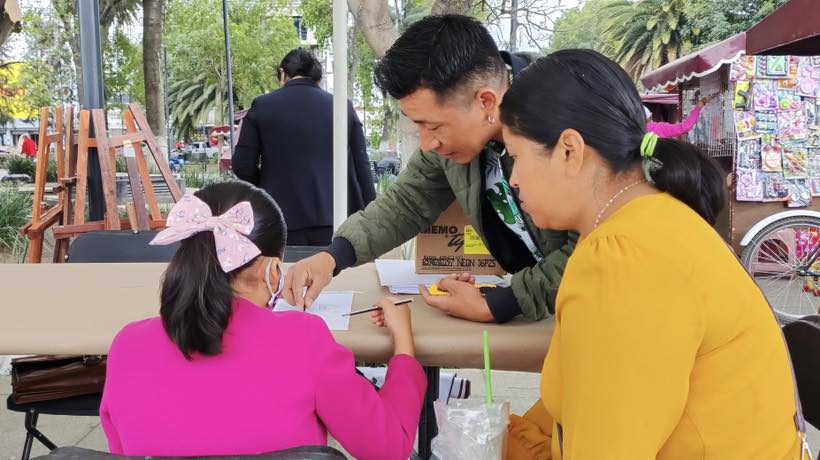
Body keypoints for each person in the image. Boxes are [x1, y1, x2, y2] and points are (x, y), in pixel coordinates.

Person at [500, 50, 802, 459]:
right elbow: (584, 399)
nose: (513, 179)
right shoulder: (648, 223)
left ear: (569, 150)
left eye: (515, 157)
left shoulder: (622, 259)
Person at [99, 181, 425, 458]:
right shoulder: (304, 338)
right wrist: (405, 350)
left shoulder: (127, 344)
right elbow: (388, 449)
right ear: (272, 270)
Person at [285, 15, 576, 324]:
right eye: (418, 126)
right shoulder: (455, 143)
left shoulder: (565, 121)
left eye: (433, 126)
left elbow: (593, 247)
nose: (427, 144)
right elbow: (406, 203)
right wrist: (332, 257)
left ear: (486, 103)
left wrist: (502, 303)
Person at [233, 48, 376, 246]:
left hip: (279, 217)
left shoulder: (263, 106)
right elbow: (362, 165)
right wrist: (371, 213)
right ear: (317, 78)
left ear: (283, 73)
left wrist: (267, 185)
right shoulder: (342, 107)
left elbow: (242, 165)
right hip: (337, 218)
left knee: (284, 275)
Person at [645, 94, 709, 138]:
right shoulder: (659, 128)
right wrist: (698, 107)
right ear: (651, 115)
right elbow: (685, 127)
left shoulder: (635, 131)